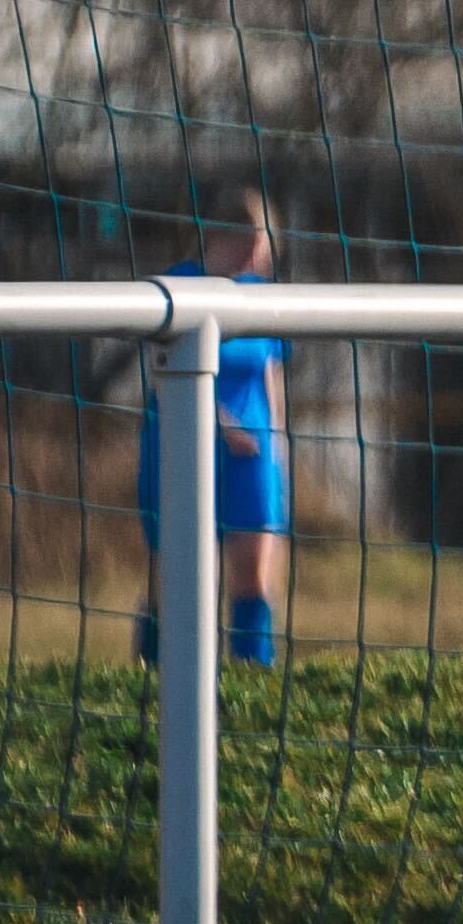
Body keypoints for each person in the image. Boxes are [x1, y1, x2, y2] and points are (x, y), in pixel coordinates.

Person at [128, 190, 294, 668]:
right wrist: (220, 427)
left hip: (253, 454)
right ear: (226, 237)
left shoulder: (262, 296)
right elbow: (165, 378)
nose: (263, 254)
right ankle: (152, 677)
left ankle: (251, 681)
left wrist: (276, 449)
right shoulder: (179, 286)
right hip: (182, 447)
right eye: (257, 242)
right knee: (175, 578)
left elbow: (270, 376)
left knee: (255, 577)